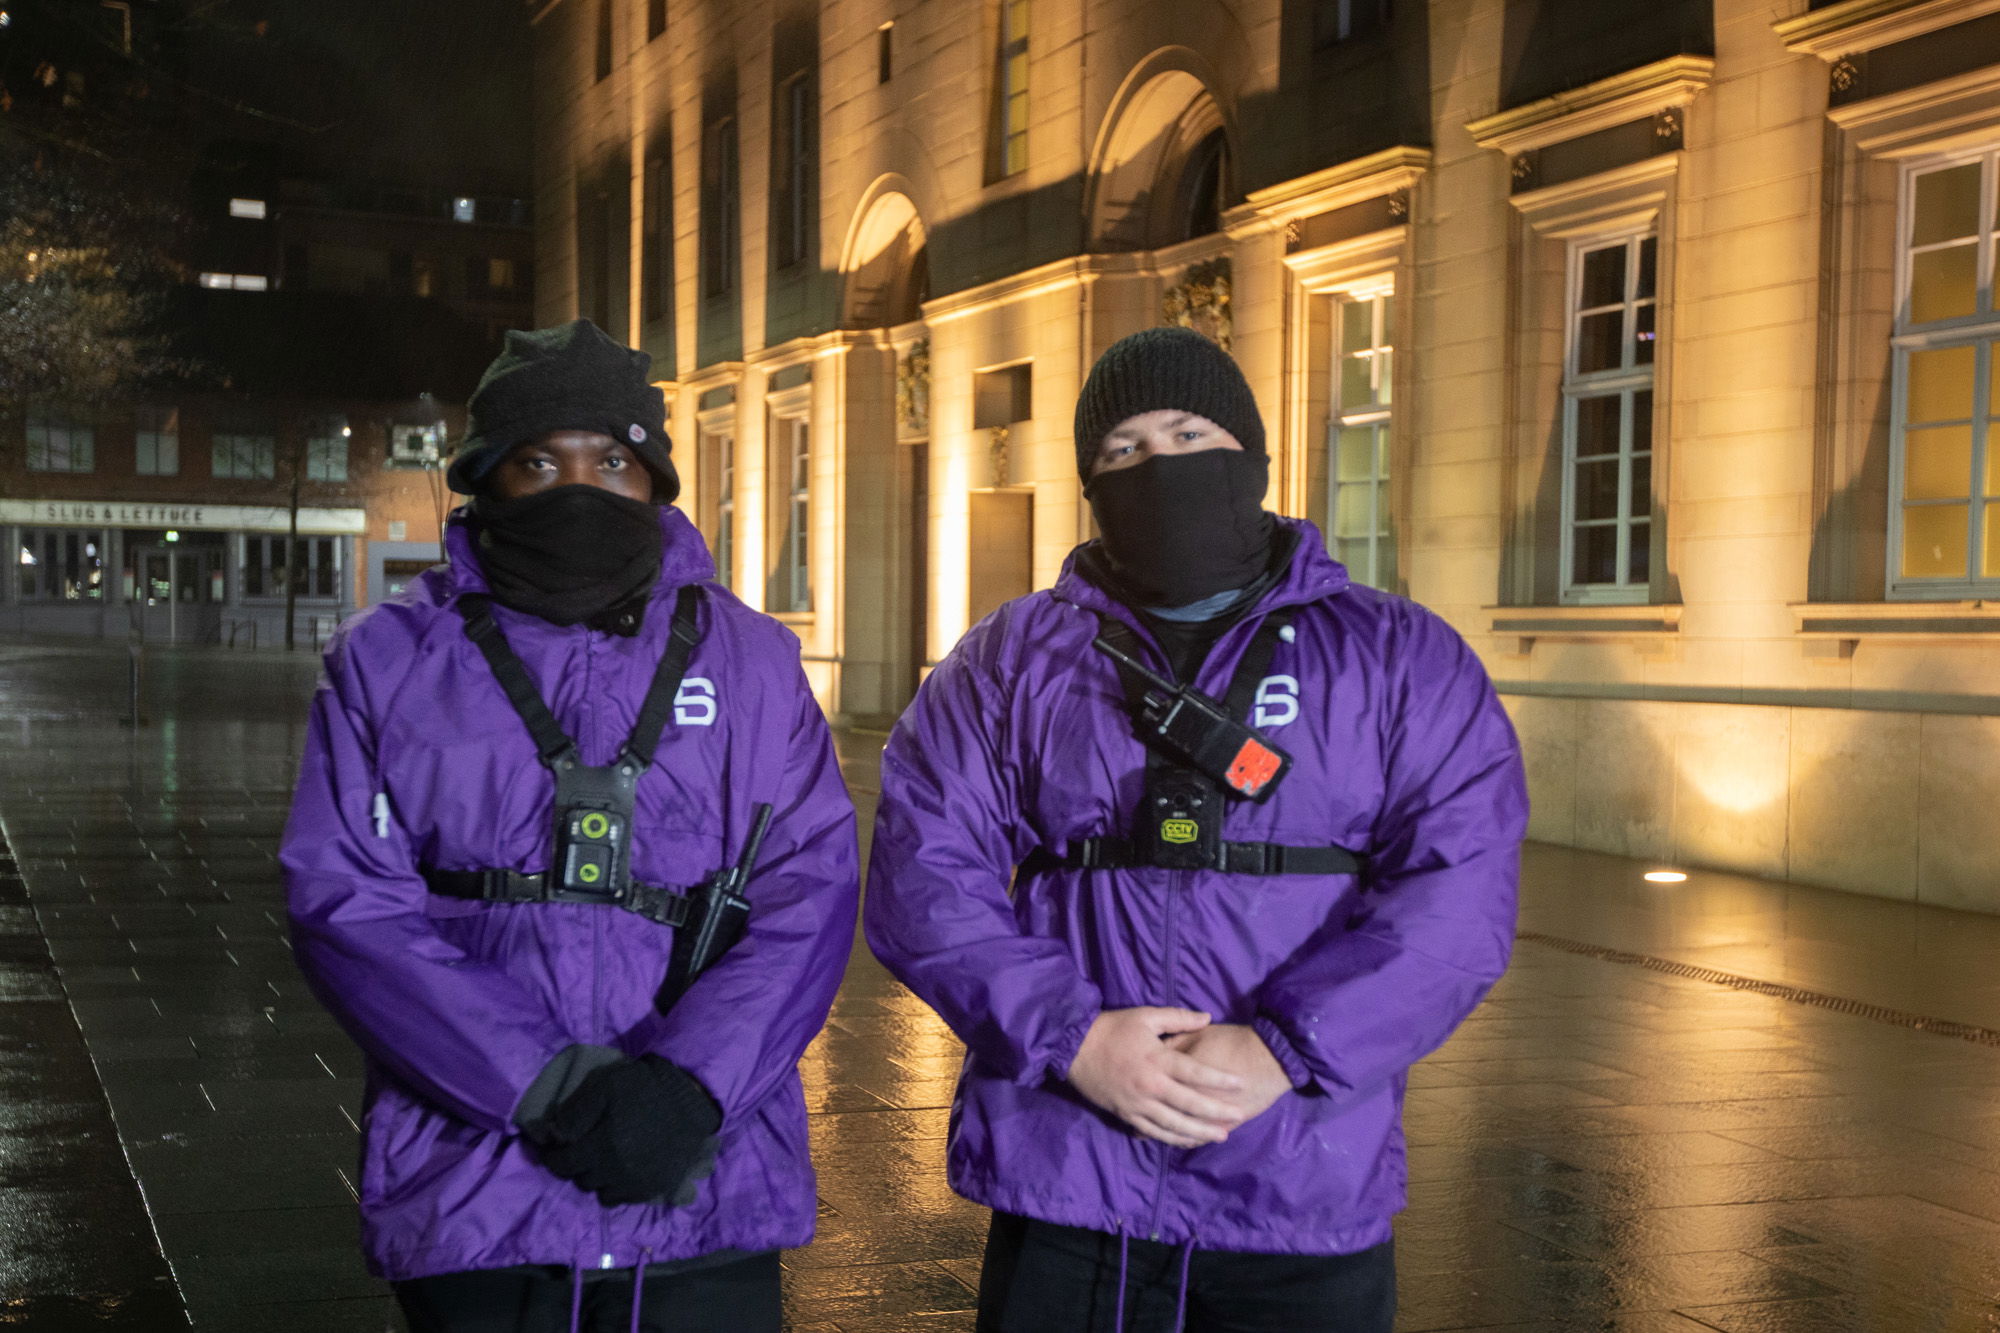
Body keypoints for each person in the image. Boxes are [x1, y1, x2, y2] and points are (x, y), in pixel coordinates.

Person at [863, 326, 1528, 1332]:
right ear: (1089, 478)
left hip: (1296, 1177)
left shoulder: (1399, 657)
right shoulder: (1008, 660)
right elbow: (923, 868)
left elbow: (1458, 893)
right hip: (1069, 1177)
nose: (1156, 465)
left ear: (1249, 453)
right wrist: (1071, 1036)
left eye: (1184, 432)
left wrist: (1283, 1047)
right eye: (1122, 450)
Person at [281, 319, 859, 1333]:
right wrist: (541, 1083)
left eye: (613, 459)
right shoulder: (382, 662)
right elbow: (346, 904)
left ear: (653, 478)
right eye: (539, 460)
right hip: (474, 1188)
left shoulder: (754, 660)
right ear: (484, 476)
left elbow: (807, 892)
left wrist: (691, 1090)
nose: (578, 487)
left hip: (702, 1179)